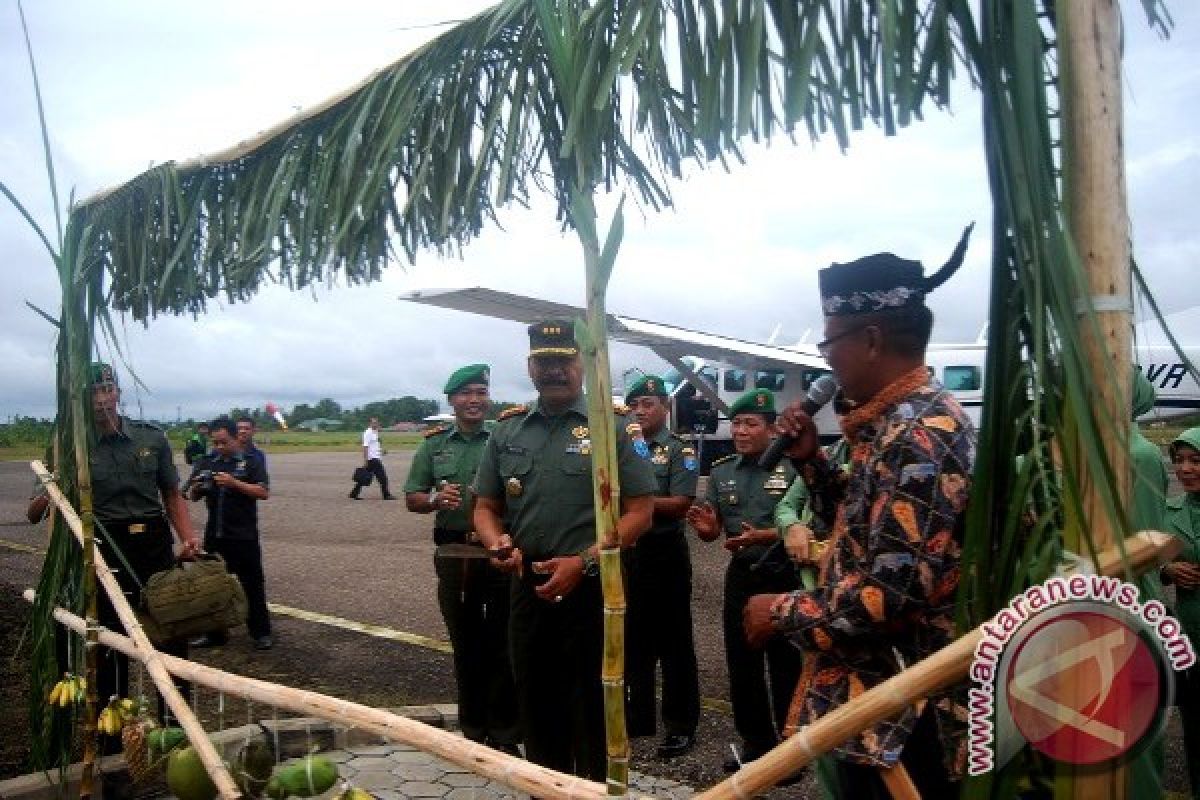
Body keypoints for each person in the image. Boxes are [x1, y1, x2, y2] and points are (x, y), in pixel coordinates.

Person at [742, 230, 975, 796]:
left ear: (871, 339)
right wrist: (814, 467)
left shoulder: (919, 433)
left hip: (913, 706)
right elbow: (876, 532)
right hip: (887, 700)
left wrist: (783, 611)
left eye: (830, 344)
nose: (827, 360)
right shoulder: (895, 423)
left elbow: (890, 593)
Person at [473, 320, 656, 780]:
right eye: (544, 362)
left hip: (594, 589)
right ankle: (547, 790)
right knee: (536, 704)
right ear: (530, 367)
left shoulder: (611, 426)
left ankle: (595, 791)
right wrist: (497, 543)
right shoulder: (507, 430)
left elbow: (640, 513)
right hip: (527, 586)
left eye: (563, 361)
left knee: (593, 707)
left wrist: (585, 561)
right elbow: (486, 508)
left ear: (581, 364)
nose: (554, 371)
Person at [403, 364, 520, 754]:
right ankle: (473, 731)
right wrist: (436, 499)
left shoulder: (506, 437)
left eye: (481, 391)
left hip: (499, 551)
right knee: (466, 642)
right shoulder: (433, 445)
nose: (474, 399)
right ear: (451, 400)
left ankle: (504, 734)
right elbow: (412, 497)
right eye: (466, 393)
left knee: (504, 642)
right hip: (454, 554)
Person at [685, 388, 802, 772]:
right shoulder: (721, 472)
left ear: (770, 429)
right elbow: (713, 531)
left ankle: (791, 749)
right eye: (736, 423)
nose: (740, 430)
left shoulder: (792, 469)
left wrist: (766, 535)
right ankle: (756, 744)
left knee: (786, 663)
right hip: (742, 575)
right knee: (742, 662)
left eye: (750, 423)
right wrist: (707, 529)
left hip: (783, 574)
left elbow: (811, 523)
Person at [83, 363, 201, 730]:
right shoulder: (75, 443)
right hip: (106, 548)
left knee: (170, 629)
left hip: (153, 544)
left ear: (118, 392)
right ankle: (114, 734)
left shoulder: (150, 438)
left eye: (107, 389)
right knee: (110, 642)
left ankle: (176, 725)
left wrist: (186, 537)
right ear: (83, 398)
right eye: (94, 391)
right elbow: (39, 507)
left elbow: (171, 493)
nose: (102, 398)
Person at [621, 374, 701, 759]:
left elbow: (682, 502)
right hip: (631, 554)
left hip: (665, 553)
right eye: (634, 404)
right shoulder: (626, 446)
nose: (639, 410)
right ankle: (638, 719)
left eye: (648, 404)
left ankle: (681, 726)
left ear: (665, 408)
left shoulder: (678, 449)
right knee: (633, 638)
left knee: (674, 643)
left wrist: (634, 504)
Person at [187, 417, 273, 650]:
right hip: (216, 534)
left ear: (236, 438)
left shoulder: (251, 461)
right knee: (212, 585)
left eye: (224, 442)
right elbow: (192, 496)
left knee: (252, 584)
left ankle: (260, 632)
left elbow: (263, 492)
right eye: (215, 443)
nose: (219, 447)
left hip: (243, 535)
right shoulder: (207, 462)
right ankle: (214, 634)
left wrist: (235, 483)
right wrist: (197, 487)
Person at [1164, 427, 1200, 797]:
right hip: (1192, 635)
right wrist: (1168, 569)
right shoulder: (1169, 510)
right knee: (1195, 725)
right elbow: (1151, 558)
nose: (1184, 469)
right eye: (1179, 460)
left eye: (1195, 459)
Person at [349, 416, 394, 500]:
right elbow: (365, 447)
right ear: (369, 423)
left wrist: (381, 451)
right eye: (373, 422)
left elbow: (374, 445)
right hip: (373, 459)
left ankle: (353, 494)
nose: (375, 424)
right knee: (383, 478)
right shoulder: (368, 433)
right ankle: (386, 495)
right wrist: (365, 460)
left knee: (364, 477)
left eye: (376, 422)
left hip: (375, 458)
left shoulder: (375, 432)